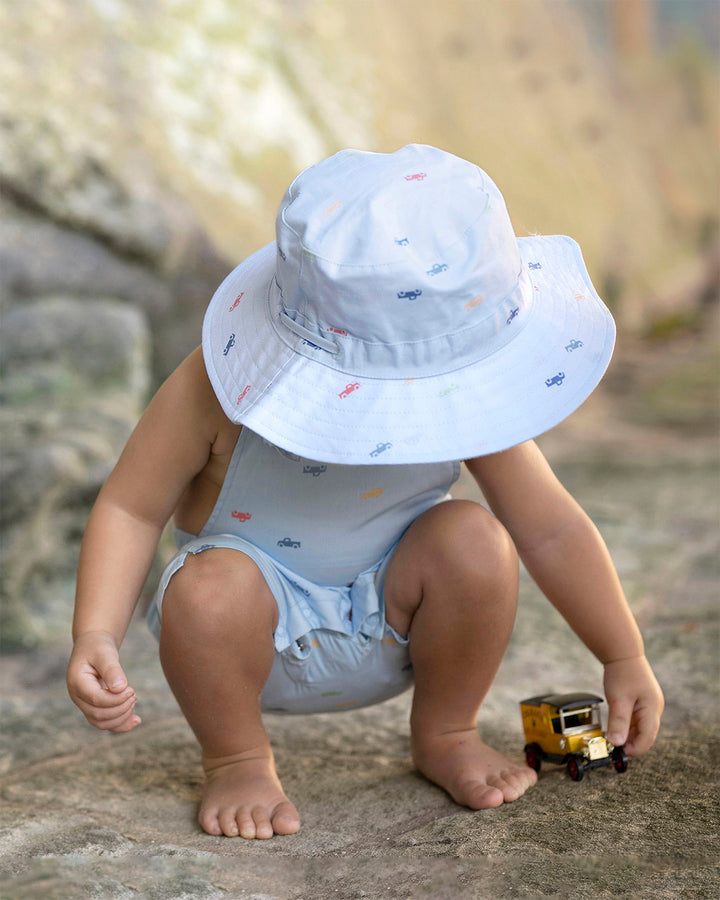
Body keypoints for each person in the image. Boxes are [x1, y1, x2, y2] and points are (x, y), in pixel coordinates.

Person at [66, 144, 664, 841]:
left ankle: (447, 730)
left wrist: (623, 654)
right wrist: (95, 633)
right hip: (252, 644)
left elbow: (550, 527)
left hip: (399, 621)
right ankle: (236, 758)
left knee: (475, 539)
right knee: (206, 589)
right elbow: (130, 507)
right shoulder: (219, 383)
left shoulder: (460, 394)